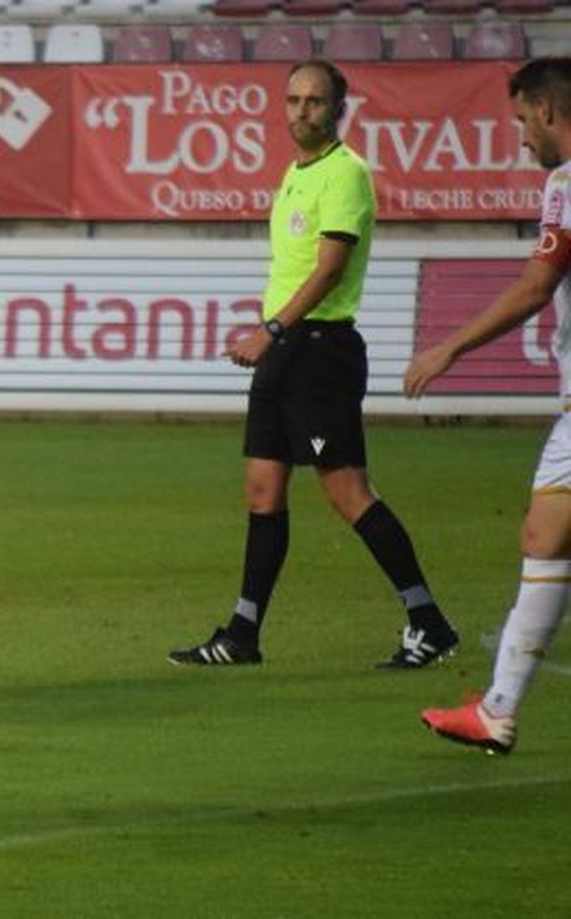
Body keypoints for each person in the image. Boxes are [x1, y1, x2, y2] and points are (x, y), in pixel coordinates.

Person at [168, 59, 458, 668]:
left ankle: (428, 621)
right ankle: (242, 635)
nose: (302, 111)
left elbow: (328, 270)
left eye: (315, 101)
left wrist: (270, 329)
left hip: (320, 350)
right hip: (286, 354)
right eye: (294, 100)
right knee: (262, 492)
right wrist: (275, 338)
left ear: (338, 110)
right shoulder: (295, 173)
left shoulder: (346, 173)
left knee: (349, 493)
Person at [410, 58, 571, 754]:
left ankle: (499, 708)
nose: (522, 137)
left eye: (523, 121)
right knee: (545, 537)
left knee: (546, 537)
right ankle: (498, 707)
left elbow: (536, 286)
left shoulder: (566, 185)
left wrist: (449, 348)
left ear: (548, 111)